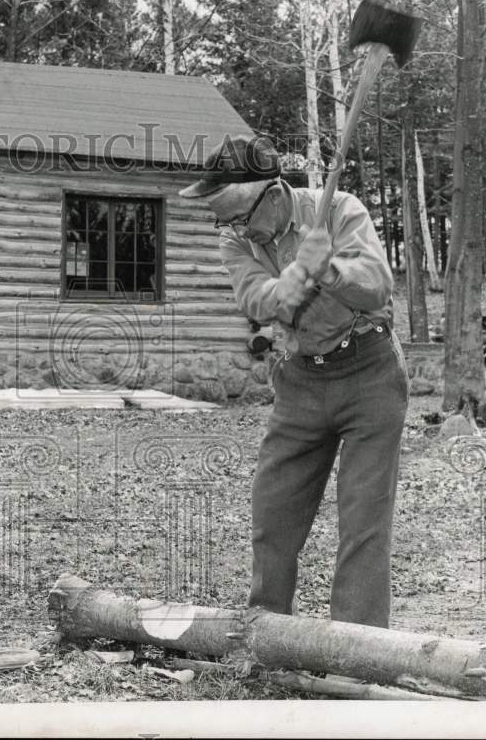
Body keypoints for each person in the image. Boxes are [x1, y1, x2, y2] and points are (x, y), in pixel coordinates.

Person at [179, 134, 409, 628]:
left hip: (370, 372)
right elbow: (255, 298)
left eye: (239, 215)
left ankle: (357, 644)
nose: (233, 228)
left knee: (363, 518)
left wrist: (327, 268)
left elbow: (376, 286)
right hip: (300, 378)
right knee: (273, 509)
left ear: (275, 194)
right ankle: (267, 632)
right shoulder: (236, 238)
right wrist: (292, 277)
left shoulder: (341, 210)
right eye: (224, 218)